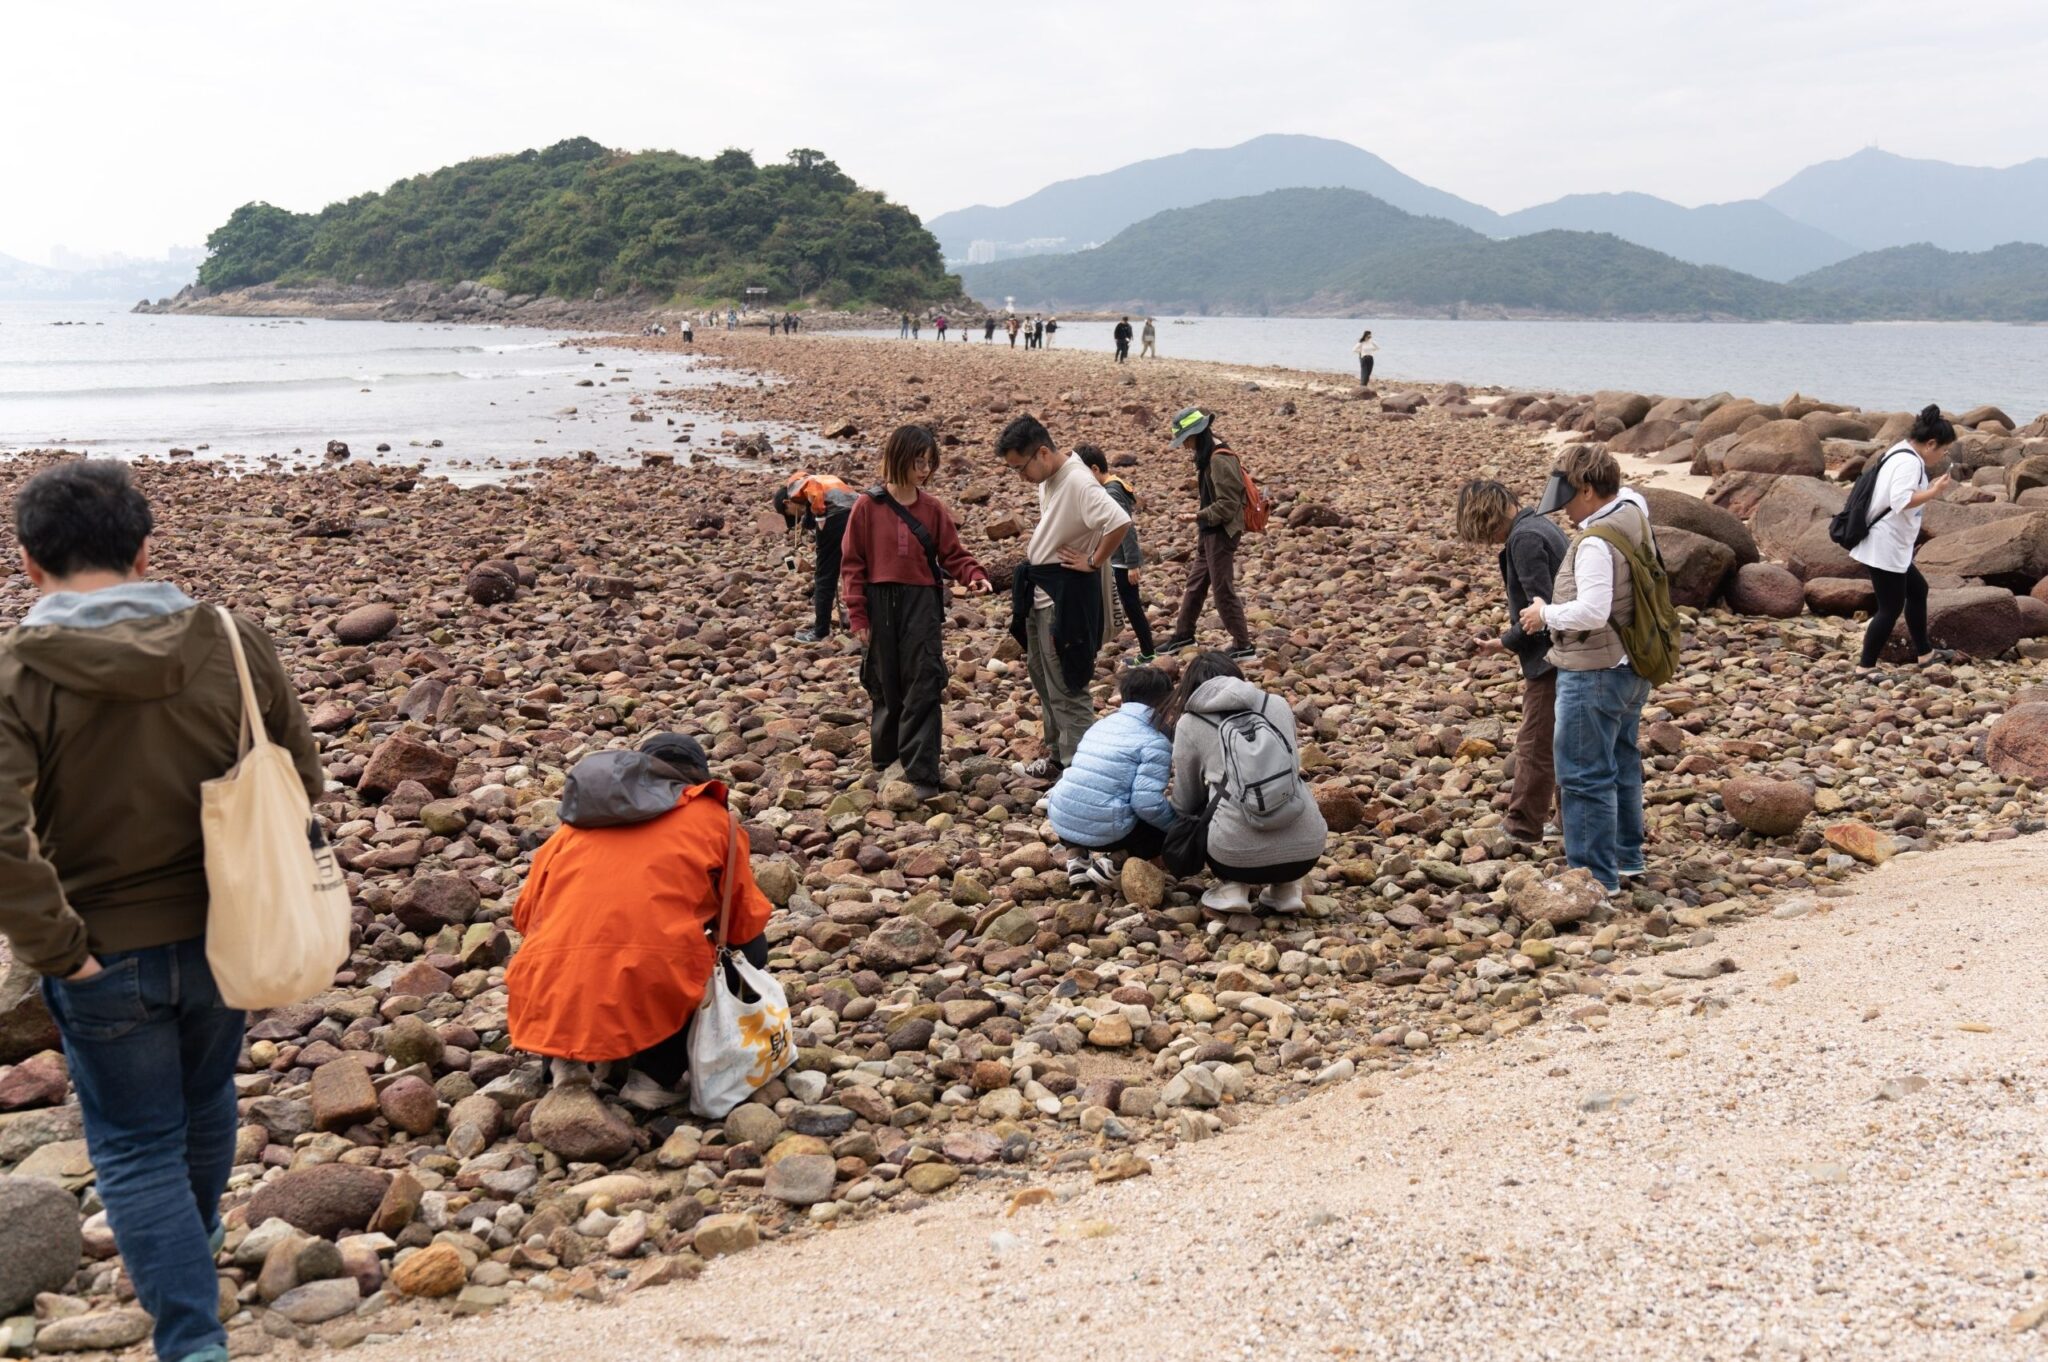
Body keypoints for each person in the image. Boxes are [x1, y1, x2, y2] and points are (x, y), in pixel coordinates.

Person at [0, 460, 322, 1362]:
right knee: (206, 1095)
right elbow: (301, 775)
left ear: (29, 563)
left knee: (137, 1143)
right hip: (231, 928)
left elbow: (3, 834)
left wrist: (59, 951)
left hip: (104, 950)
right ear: (146, 548)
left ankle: (190, 1335)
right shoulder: (230, 636)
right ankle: (193, 1256)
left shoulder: (20, 669)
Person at [508, 733, 773, 1109]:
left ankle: (564, 1062)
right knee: (749, 950)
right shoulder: (714, 819)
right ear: (696, 779)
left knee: (558, 946)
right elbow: (743, 922)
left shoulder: (574, 828)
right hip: (652, 974)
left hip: (545, 984)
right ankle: (654, 1076)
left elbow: (525, 915)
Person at [1517, 445, 1657, 893]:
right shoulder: (1634, 511)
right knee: (1622, 762)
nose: (1565, 514)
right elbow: (1631, 490)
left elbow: (1593, 611)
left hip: (1593, 670)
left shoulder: (1595, 541)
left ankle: (1595, 876)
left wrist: (1545, 614)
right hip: (1632, 664)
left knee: (1582, 774)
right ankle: (1626, 858)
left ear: (1591, 491)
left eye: (1571, 499)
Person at [840, 425, 993, 801]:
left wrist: (973, 575)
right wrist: (858, 616)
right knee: (883, 681)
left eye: (929, 462)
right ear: (898, 458)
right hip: (880, 602)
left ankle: (921, 771)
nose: (924, 469)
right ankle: (887, 759)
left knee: (924, 680)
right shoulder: (866, 506)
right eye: (917, 461)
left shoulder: (932, 508)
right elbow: (852, 565)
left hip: (923, 602)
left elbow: (952, 554)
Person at [997, 414, 1130, 780]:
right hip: (1042, 591)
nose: (1020, 477)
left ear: (1042, 452)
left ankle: (1081, 773)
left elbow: (1118, 521)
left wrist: (1094, 560)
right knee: (1043, 679)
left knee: (1067, 684)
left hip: (1064, 595)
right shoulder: (1051, 478)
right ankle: (1058, 757)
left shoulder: (1078, 482)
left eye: (1020, 468)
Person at [1164, 651, 1328, 914]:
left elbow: (1186, 799)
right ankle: (1285, 890)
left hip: (1233, 857)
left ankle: (1233, 888)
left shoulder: (1189, 723)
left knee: (1204, 807)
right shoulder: (1277, 705)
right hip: (1307, 849)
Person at [1457, 478, 1567, 845]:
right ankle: (1568, 821)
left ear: (1485, 515)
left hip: (1552, 659)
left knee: (1536, 742)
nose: (1484, 539)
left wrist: (1506, 641)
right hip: (1569, 652)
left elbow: (1544, 611)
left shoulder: (1524, 539)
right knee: (1564, 740)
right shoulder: (1540, 525)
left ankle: (1522, 827)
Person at [1851, 404, 1958, 672]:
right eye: (1943, 450)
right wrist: (1934, 491)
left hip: (1889, 542)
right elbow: (1901, 501)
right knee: (1889, 608)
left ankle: (1925, 653)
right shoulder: (1909, 462)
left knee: (1918, 590)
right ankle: (1865, 668)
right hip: (1884, 543)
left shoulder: (1900, 449)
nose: (1943, 455)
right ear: (1930, 443)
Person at [1047, 666, 1177, 885]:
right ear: (1165, 702)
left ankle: (1076, 858)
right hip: (1110, 833)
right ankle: (1116, 860)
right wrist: (1176, 825)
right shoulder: (1155, 741)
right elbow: (1146, 803)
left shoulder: (1101, 725)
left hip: (1062, 819)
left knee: (1081, 789)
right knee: (1164, 828)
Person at [1157, 407, 1255, 660]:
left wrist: (1197, 515)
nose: (1184, 446)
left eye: (1185, 440)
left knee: (1222, 588)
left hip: (1221, 532)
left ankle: (1243, 644)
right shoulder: (1209, 451)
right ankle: (1183, 635)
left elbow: (1228, 505)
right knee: (1196, 584)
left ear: (1197, 434)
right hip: (1209, 530)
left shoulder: (1219, 458)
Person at [1077, 444, 1154, 660]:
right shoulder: (1114, 486)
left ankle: (1148, 653)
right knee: (1127, 604)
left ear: (1094, 469)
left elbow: (1126, 527)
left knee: (1132, 606)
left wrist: (1132, 564)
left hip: (1121, 561)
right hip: (1117, 559)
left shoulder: (1111, 492)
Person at [772, 469, 859, 642]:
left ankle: (820, 631)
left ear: (787, 502)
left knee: (824, 577)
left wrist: (819, 519)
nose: (800, 514)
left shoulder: (800, 486)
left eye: (790, 513)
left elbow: (817, 500)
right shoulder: (816, 480)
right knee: (858, 568)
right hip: (858, 512)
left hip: (836, 519)